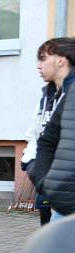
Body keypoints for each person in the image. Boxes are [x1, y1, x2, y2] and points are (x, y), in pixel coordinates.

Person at [24, 38, 75, 225]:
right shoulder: (49, 94)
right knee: (51, 235)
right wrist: (32, 167)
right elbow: (40, 137)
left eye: (43, 59)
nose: (38, 65)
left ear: (61, 60)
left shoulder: (70, 93)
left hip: (66, 191)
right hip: (51, 186)